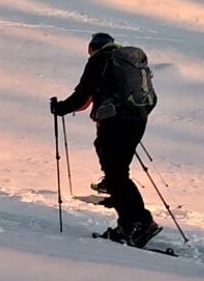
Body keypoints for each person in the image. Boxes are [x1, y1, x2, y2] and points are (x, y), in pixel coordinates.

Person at [51, 32, 161, 247]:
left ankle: (138, 223)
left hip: (115, 122)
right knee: (118, 173)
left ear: (93, 47)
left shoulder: (100, 60)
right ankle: (132, 223)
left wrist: (60, 108)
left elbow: (83, 95)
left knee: (116, 175)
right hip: (137, 120)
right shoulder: (129, 64)